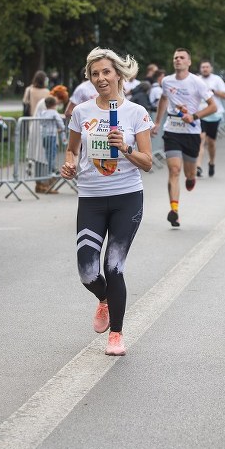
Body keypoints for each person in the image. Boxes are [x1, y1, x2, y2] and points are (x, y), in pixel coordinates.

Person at [60, 47, 153, 356]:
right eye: (94, 74)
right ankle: (104, 300)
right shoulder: (81, 112)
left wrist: (125, 148)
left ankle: (117, 334)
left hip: (127, 197)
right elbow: (72, 150)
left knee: (113, 266)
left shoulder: (135, 113)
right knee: (88, 271)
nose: (100, 78)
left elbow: (148, 162)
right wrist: (70, 164)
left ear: (119, 74)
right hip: (91, 198)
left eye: (105, 72)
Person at [151, 48, 217, 228]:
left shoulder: (197, 82)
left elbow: (213, 107)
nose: (178, 60)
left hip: (191, 132)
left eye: (182, 57)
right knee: (174, 170)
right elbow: (164, 99)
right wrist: (157, 122)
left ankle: (191, 178)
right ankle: (174, 210)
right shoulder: (166, 81)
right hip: (172, 130)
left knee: (189, 173)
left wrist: (194, 116)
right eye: (175, 57)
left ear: (189, 62)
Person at [195, 59, 225, 178]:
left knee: (211, 142)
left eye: (207, 67)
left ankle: (212, 162)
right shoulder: (197, 80)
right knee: (201, 139)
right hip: (201, 113)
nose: (205, 69)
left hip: (215, 114)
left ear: (211, 68)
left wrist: (213, 91)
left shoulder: (217, 80)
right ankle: (198, 167)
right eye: (203, 67)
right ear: (200, 69)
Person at [32, 95, 65, 194]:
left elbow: (40, 121)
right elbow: (59, 121)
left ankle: (50, 169)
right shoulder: (54, 113)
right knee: (52, 153)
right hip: (52, 135)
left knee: (47, 152)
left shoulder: (43, 112)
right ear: (55, 105)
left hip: (44, 135)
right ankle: (51, 170)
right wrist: (62, 128)